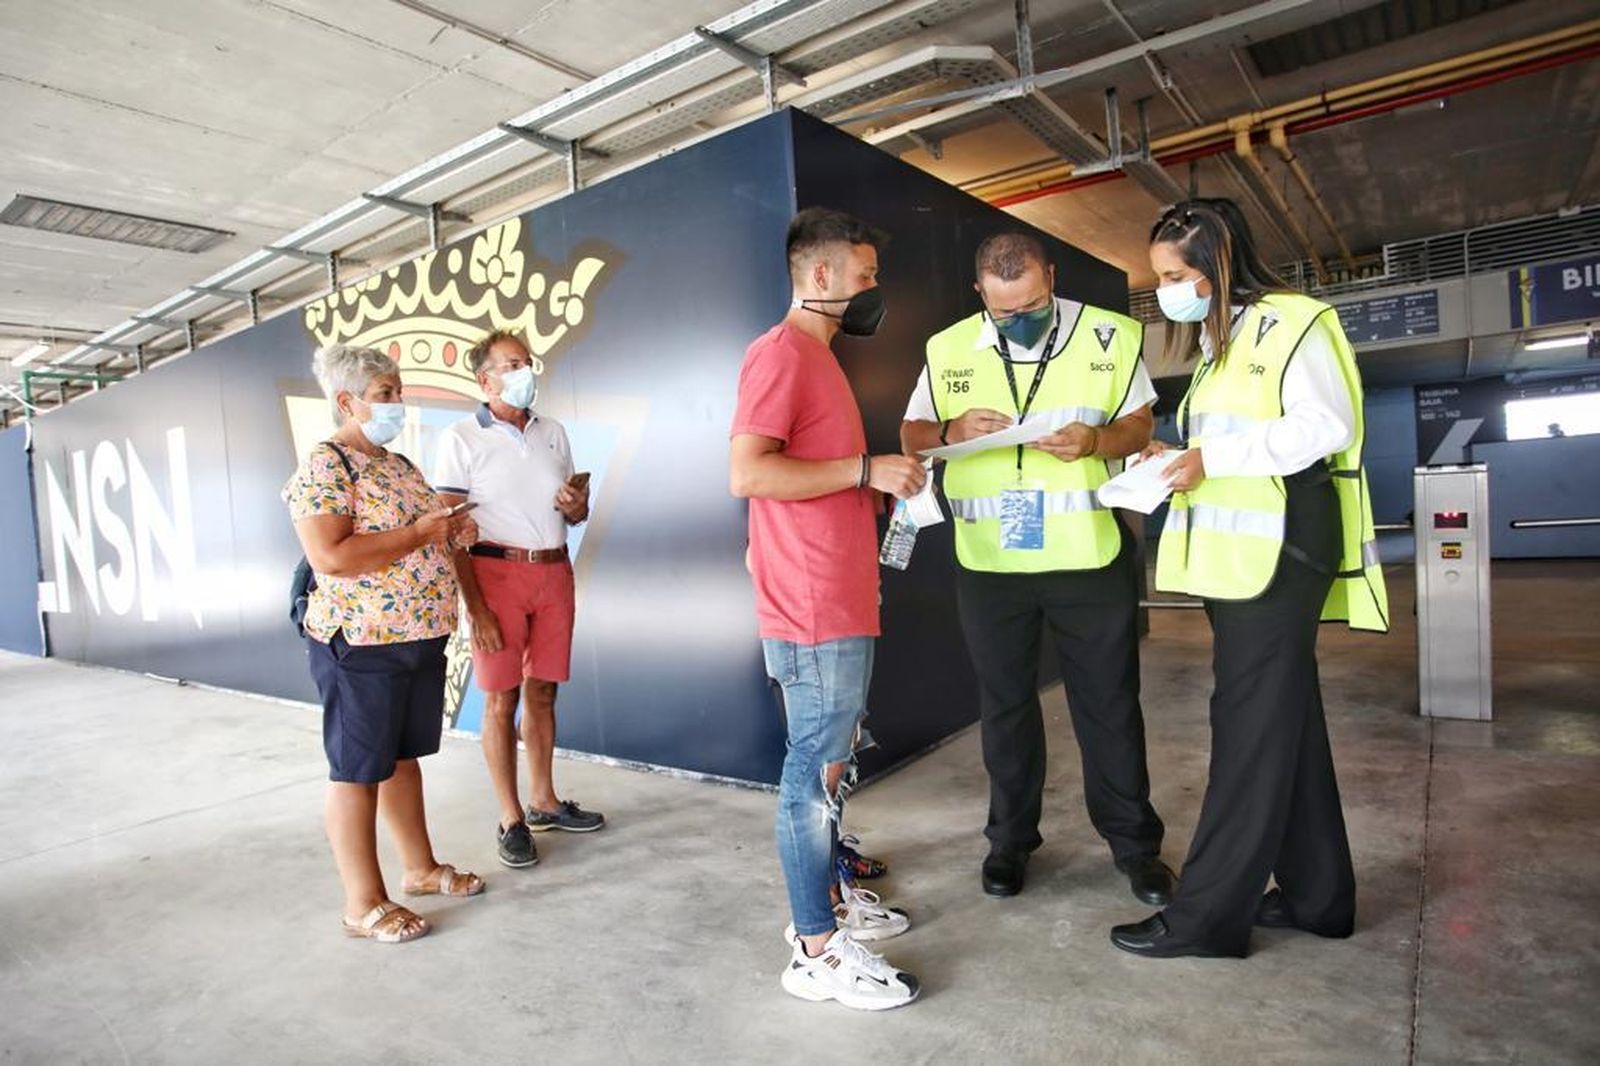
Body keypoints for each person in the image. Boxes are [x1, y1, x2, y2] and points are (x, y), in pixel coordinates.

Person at [1110, 198, 1388, 959]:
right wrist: (1171, 455)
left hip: (1283, 550)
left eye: (1175, 273)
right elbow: (1230, 445)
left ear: (1220, 260)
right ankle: (1319, 897)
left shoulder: (1294, 321)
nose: (1164, 287)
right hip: (1242, 560)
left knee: (1248, 727)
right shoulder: (1213, 345)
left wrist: (1214, 458)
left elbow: (1323, 426)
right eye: (1159, 275)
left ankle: (1205, 919)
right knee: (1284, 721)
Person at [900, 232, 1173, 905]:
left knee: (1108, 706)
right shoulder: (946, 350)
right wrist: (951, 431)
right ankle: (1010, 841)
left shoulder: (1109, 336)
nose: (1021, 320)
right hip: (991, 564)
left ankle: (1135, 847)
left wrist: (1097, 441)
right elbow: (911, 435)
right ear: (980, 295)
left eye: (1034, 304)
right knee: (1005, 708)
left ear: (1051, 277)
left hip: (1087, 555)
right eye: (1005, 311)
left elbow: (1139, 425)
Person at [730, 207, 927, 1010]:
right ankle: (816, 948)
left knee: (830, 765)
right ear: (821, 278)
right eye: (865, 274)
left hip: (835, 596)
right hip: (812, 605)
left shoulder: (818, 361)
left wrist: (874, 482)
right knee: (810, 777)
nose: (874, 289)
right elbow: (748, 473)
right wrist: (865, 472)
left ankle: (832, 908)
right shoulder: (779, 354)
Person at [284, 344, 486, 944]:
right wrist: (419, 532)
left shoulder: (400, 466)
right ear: (347, 402)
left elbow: (425, 533)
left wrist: (451, 531)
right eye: (387, 395)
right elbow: (331, 556)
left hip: (417, 638)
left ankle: (420, 868)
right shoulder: (326, 466)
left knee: (400, 758)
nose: (399, 403)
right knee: (356, 770)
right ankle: (362, 902)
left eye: (398, 392)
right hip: (361, 643)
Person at [433, 329, 603, 871]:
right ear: (485, 379)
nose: (525, 370)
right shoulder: (460, 438)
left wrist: (576, 504)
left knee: (544, 692)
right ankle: (511, 818)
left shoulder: (552, 432)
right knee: (501, 700)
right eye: (511, 364)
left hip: (553, 571)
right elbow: (449, 529)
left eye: (527, 362)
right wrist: (475, 607)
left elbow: (574, 516)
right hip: (494, 574)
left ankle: (545, 801)